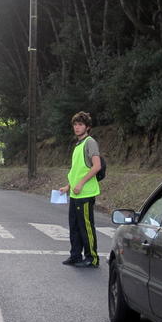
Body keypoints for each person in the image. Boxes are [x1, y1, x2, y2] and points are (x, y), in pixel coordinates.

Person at [59, 111, 101, 268]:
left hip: (86, 193)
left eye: (80, 125)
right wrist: (68, 186)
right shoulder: (78, 145)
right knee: (74, 226)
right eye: (75, 125)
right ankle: (75, 255)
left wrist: (81, 184)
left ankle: (92, 258)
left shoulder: (90, 142)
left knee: (86, 227)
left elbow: (97, 166)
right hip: (75, 193)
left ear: (87, 127)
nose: (77, 127)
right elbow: (77, 170)